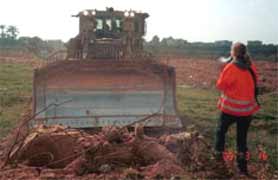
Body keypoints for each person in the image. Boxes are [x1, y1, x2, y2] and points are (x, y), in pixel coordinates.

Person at [214, 42, 260, 175]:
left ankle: (218, 159)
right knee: (242, 140)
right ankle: (243, 169)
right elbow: (254, 83)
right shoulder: (251, 67)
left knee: (220, 132)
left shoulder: (230, 67)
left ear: (233, 52)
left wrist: (223, 70)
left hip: (231, 109)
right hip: (246, 111)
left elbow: (220, 86)